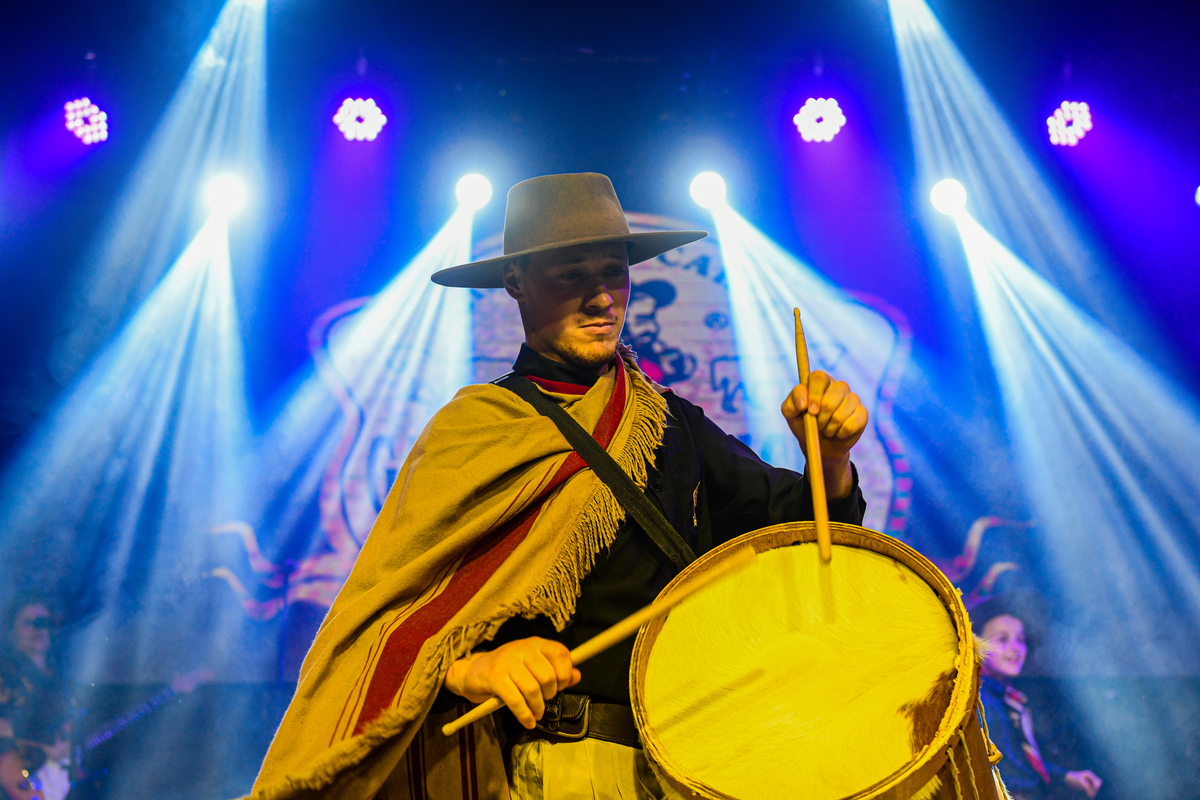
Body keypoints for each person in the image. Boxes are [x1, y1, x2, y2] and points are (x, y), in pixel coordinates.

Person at [249, 173, 869, 800]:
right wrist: (475, 667)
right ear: (515, 283)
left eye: (614, 272)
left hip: (702, 760)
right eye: (572, 275)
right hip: (565, 767)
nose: (602, 297)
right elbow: (385, 622)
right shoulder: (471, 433)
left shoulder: (672, 420)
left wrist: (832, 457)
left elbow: (807, 534)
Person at [974, 596, 1103, 800]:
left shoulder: (1011, 699)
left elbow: (1021, 764)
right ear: (976, 645)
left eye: (1020, 639)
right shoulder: (980, 702)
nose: (1016, 649)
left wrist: (1066, 777)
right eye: (1002, 640)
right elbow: (1003, 774)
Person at [0, 596, 72, 800]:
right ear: (11, 631)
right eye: (28, 623)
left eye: (44, 623)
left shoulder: (62, 679)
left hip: (60, 782)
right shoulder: (5, 676)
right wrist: (43, 743)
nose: (38, 630)